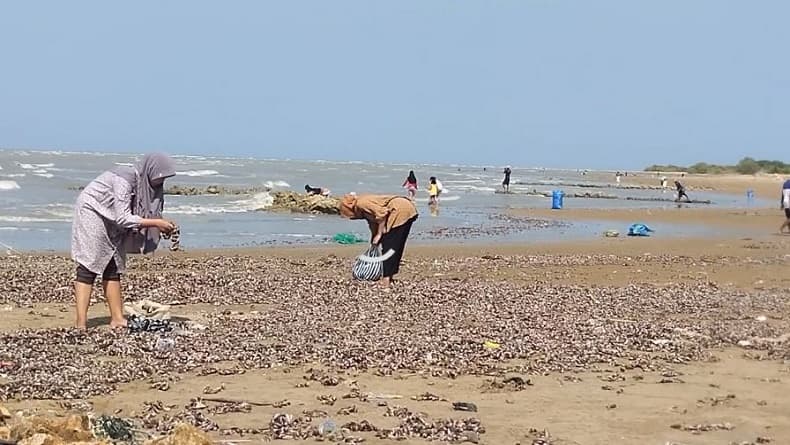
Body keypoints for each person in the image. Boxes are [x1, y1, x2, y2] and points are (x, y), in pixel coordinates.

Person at [71, 153, 177, 329]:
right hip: (93, 211)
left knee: (114, 265)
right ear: (150, 170)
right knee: (88, 266)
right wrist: (156, 223)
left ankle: (117, 318)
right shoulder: (125, 179)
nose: (159, 182)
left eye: (163, 179)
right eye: (159, 177)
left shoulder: (147, 186)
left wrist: (160, 225)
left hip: (112, 218)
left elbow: (144, 212)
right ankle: (81, 322)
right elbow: (123, 217)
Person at [339, 194, 418, 287]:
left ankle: (386, 280)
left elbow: (382, 214)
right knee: (396, 245)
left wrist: (380, 234)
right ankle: (390, 276)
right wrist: (374, 239)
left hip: (399, 209)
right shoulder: (363, 209)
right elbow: (373, 224)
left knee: (389, 246)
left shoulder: (361, 203)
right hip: (406, 208)